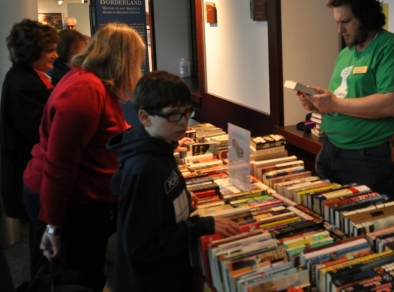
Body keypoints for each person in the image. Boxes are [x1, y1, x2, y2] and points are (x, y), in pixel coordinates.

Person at [22, 22, 146, 292]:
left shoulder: (92, 83)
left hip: (80, 200)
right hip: (70, 203)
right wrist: (53, 226)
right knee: (75, 278)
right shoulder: (84, 91)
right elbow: (60, 165)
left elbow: (110, 130)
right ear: (121, 60)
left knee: (84, 272)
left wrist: (148, 138)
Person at [108, 71, 241, 291]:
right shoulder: (144, 168)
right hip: (151, 280)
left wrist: (179, 195)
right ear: (144, 117)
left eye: (187, 113)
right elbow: (141, 246)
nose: (183, 122)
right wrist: (200, 226)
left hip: (168, 269)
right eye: (173, 115)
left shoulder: (161, 144)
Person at [297, 0, 394, 200]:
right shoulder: (346, 53)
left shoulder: (391, 48)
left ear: (366, 17)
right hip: (331, 151)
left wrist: (333, 104)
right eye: (337, 23)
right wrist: (320, 102)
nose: (340, 29)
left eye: (346, 22)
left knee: (366, 227)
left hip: (370, 159)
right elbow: (345, 101)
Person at [0, 19, 59, 275]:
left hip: (29, 175)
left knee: (41, 242)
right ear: (31, 51)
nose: (56, 55)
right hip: (31, 177)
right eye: (49, 50)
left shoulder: (26, 77)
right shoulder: (25, 84)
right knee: (42, 246)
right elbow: (42, 133)